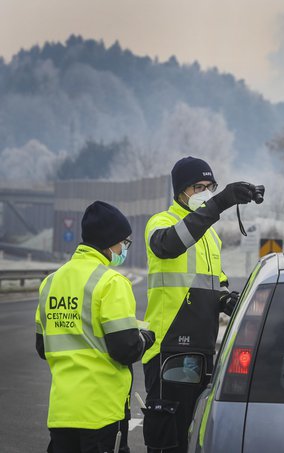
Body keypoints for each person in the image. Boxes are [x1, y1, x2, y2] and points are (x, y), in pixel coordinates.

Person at [142, 156, 260, 452]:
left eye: (210, 186)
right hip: (168, 349)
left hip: (203, 349)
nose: (205, 192)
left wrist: (230, 301)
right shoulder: (161, 223)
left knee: (195, 437)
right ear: (180, 191)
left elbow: (214, 284)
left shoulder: (210, 237)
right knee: (168, 439)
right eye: (198, 187)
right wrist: (219, 203)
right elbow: (169, 245)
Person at [35, 201, 155, 453]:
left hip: (61, 410)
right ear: (109, 241)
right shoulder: (111, 282)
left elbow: (42, 346)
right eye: (123, 242)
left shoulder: (51, 282)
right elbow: (125, 349)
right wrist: (145, 338)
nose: (124, 248)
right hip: (99, 412)